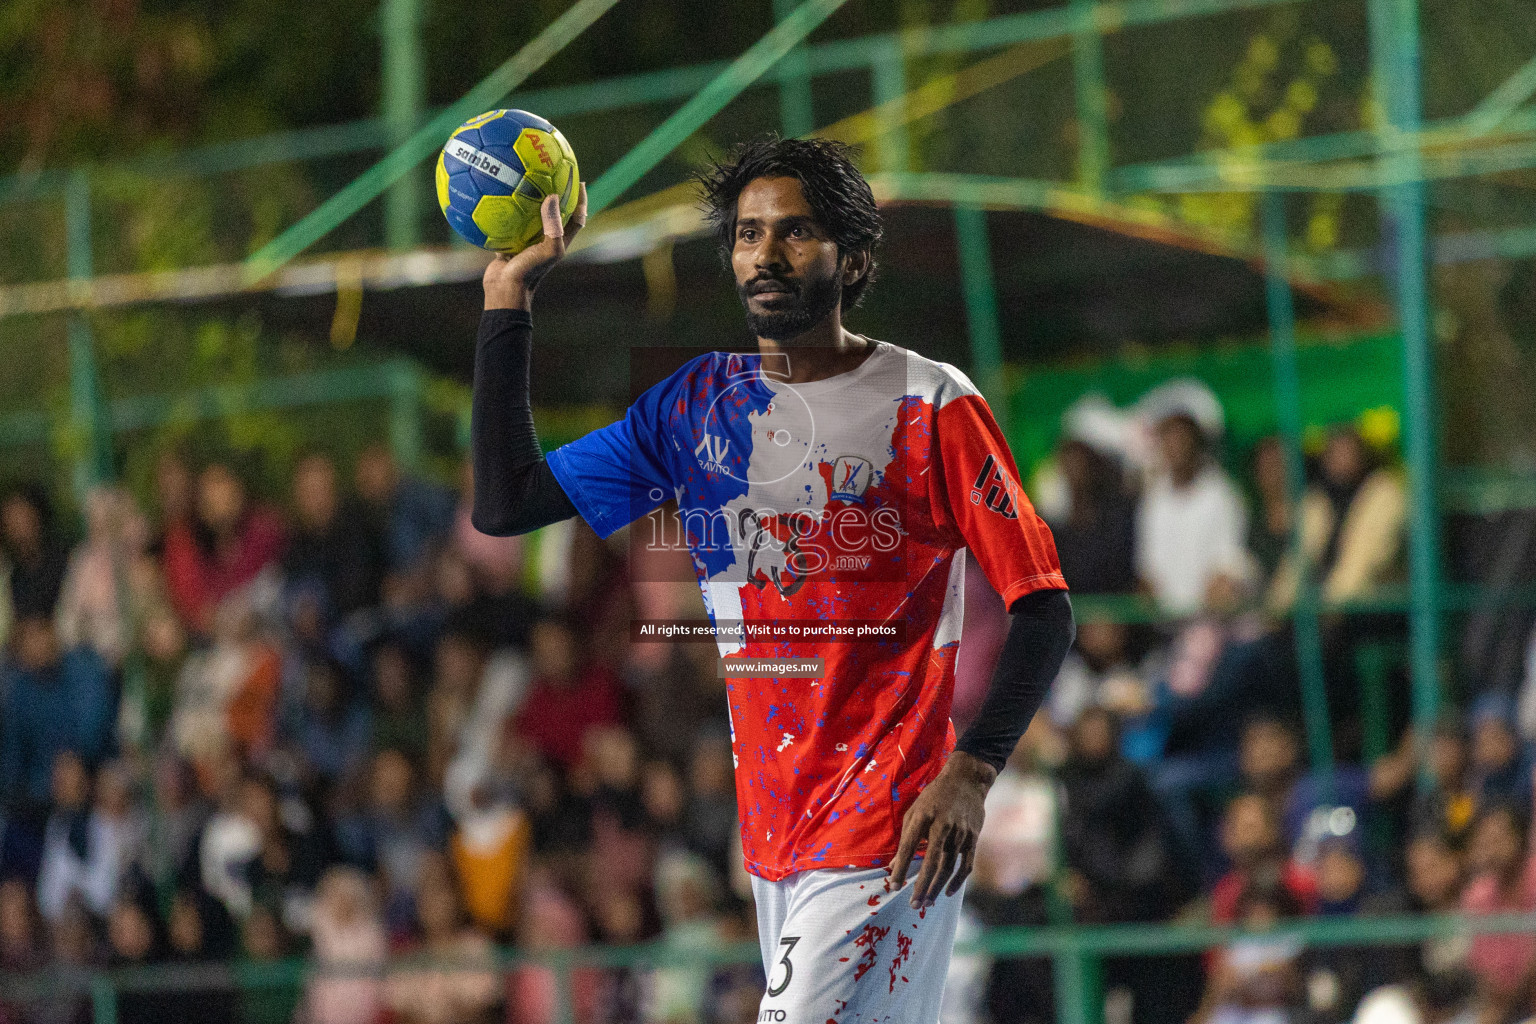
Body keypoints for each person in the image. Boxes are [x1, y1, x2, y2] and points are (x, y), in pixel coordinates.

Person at [468, 137, 1075, 1022]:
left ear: (854, 258)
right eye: (748, 234)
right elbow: (508, 500)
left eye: (794, 233)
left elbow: (1044, 606)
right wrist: (508, 299)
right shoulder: (691, 407)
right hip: (775, 835)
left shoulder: (931, 403)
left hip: (890, 826)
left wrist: (972, 774)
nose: (765, 253)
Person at [1135, 412, 1252, 617]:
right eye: (1168, 439)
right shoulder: (1154, 498)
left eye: (1181, 439)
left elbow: (1229, 564)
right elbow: (1147, 567)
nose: (1175, 447)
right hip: (1163, 622)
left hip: (1212, 620)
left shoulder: (1221, 494)